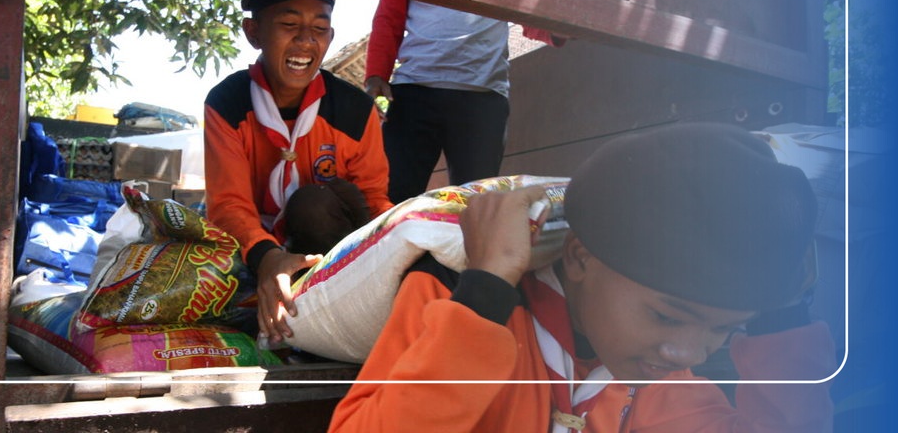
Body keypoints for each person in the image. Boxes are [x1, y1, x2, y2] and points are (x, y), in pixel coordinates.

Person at [329, 122, 835, 433]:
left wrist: (783, 326)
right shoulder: (454, 300)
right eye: (665, 315)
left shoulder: (654, 375)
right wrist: (483, 296)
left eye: (722, 330)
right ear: (578, 257)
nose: (690, 354)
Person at [204, 0, 392, 345]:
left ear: (331, 36)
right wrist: (267, 258)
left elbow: (372, 197)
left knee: (311, 205)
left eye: (319, 29)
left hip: (331, 247)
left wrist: (394, 247)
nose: (306, 41)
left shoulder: (355, 111)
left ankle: (329, 308)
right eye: (289, 24)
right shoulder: (227, 103)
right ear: (253, 32)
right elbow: (228, 205)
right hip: (260, 250)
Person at [364, 0, 512, 203]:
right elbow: (388, 17)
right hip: (414, 91)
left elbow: (535, 10)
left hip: (483, 95)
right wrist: (376, 74)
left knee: (476, 202)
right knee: (391, 196)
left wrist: (557, 29)